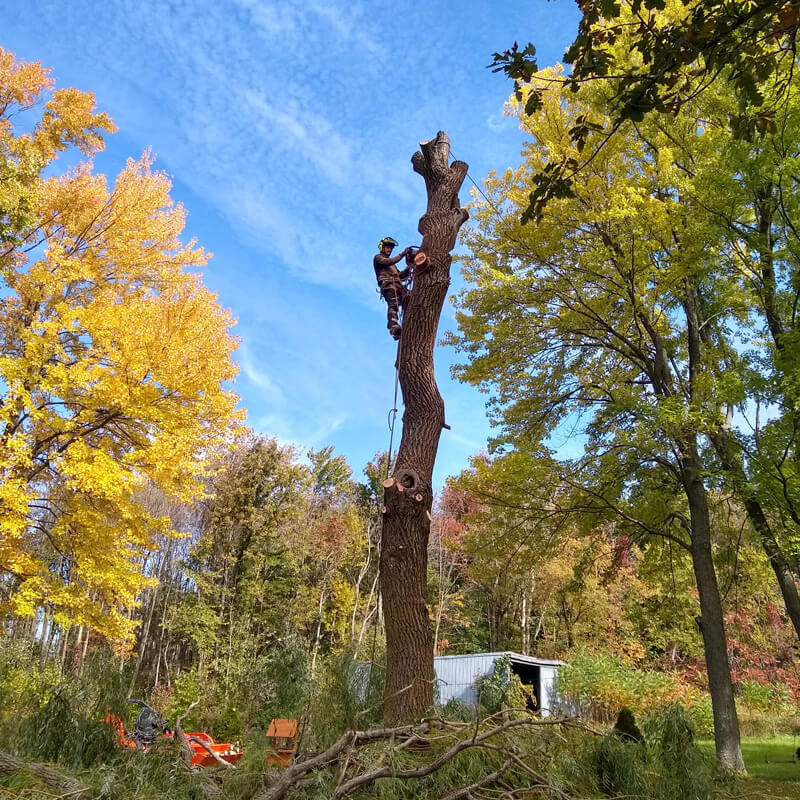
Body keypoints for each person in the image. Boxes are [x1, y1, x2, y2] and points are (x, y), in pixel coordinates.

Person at [374, 236, 412, 340]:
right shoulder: (378, 258)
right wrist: (402, 254)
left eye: (391, 248)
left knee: (411, 298)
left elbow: (401, 275)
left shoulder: (393, 267)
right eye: (387, 247)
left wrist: (410, 266)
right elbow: (388, 262)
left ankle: (407, 324)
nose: (389, 249)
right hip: (389, 285)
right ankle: (393, 327)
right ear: (382, 247)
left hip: (399, 287)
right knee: (393, 304)